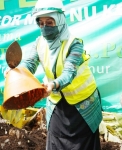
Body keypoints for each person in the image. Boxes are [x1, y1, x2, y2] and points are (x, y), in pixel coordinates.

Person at [6, 0, 102, 149]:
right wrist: (16, 72)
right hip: (56, 102)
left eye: (50, 22)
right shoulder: (39, 42)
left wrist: (53, 84)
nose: (45, 27)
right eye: (41, 23)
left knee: (83, 144)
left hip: (82, 104)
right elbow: (30, 63)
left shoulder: (74, 43)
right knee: (56, 141)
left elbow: (69, 73)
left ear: (60, 20)